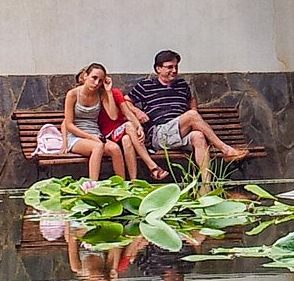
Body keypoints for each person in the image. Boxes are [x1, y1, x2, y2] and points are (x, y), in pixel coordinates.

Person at [126, 50, 249, 178]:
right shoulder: (146, 85)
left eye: (176, 67)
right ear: (158, 68)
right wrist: (137, 111)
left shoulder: (182, 85)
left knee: (198, 136)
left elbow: (191, 99)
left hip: (180, 132)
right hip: (160, 134)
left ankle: (206, 186)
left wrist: (193, 110)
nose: (174, 70)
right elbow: (126, 101)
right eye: (169, 67)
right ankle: (226, 150)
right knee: (192, 116)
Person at [60, 63, 130, 183]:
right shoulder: (73, 94)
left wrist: (108, 92)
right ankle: (92, 185)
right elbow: (69, 124)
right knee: (98, 147)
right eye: (94, 78)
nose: (97, 83)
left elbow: (113, 116)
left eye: (100, 80)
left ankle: (122, 185)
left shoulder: (101, 94)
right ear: (85, 76)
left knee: (115, 148)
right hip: (76, 137)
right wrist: (90, 137)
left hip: (96, 135)